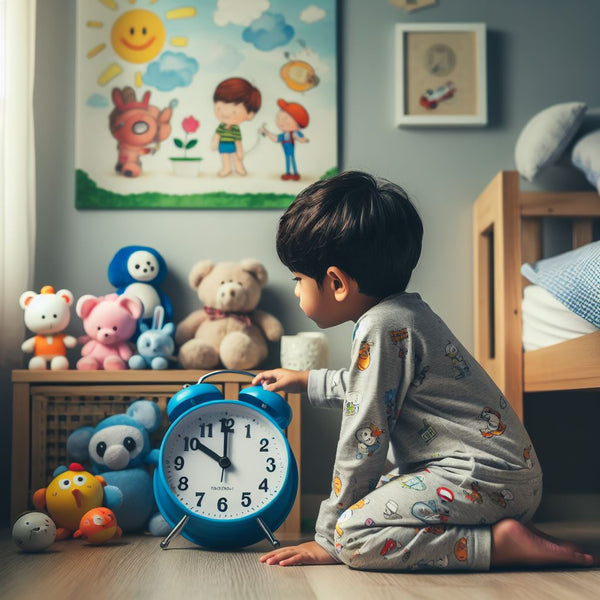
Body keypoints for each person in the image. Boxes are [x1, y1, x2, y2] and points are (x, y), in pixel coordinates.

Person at [253, 171, 595, 571]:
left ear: (336, 283)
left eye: (298, 280)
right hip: (502, 478)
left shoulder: (380, 327)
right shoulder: (404, 314)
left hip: (481, 480)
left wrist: (327, 538)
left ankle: (498, 546)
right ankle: (495, 534)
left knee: (353, 536)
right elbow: (373, 387)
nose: (296, 291)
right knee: (367, 503)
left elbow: (362, 439)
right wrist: (306, 380)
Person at [211, 77, 261, 177]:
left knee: (236, 157)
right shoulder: (221, 126)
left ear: (249, 115)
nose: (224, 113)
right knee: (225, 157)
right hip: (223, 145)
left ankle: (239, 168)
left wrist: (240, 151)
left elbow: (238, 140)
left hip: (232, 145)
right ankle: (226, 168)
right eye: (219, 108)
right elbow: (217, 135)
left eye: (234, 111)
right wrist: (215, 143)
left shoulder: (235, 128)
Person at [258, 99, 309, 181]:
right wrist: (266, 132)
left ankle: (295, 173)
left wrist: (304, 140)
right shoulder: (283, 135)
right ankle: (288, 173)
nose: (281, 122)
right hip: (285, 147)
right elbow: (276, 139)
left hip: (290, 147)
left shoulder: (295, 133)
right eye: (278, 118)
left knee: (291, 158)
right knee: (287, 159)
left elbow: (302, 139)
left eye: (286, 119)